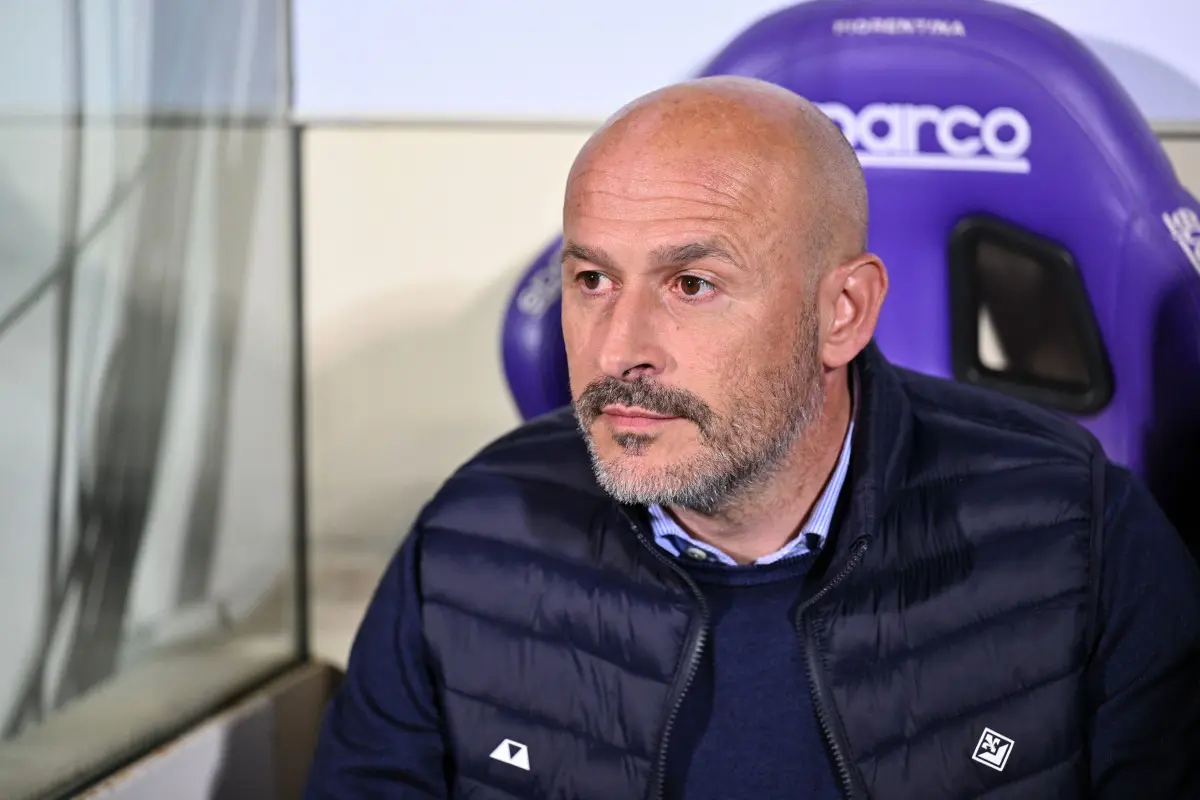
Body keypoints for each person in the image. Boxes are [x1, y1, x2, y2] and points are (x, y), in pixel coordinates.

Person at [303, 76, 1200, 799]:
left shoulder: (1079, 538)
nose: (618, 350)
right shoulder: (472, 538)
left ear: (843, 312)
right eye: (592, 280)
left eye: (692, 284)